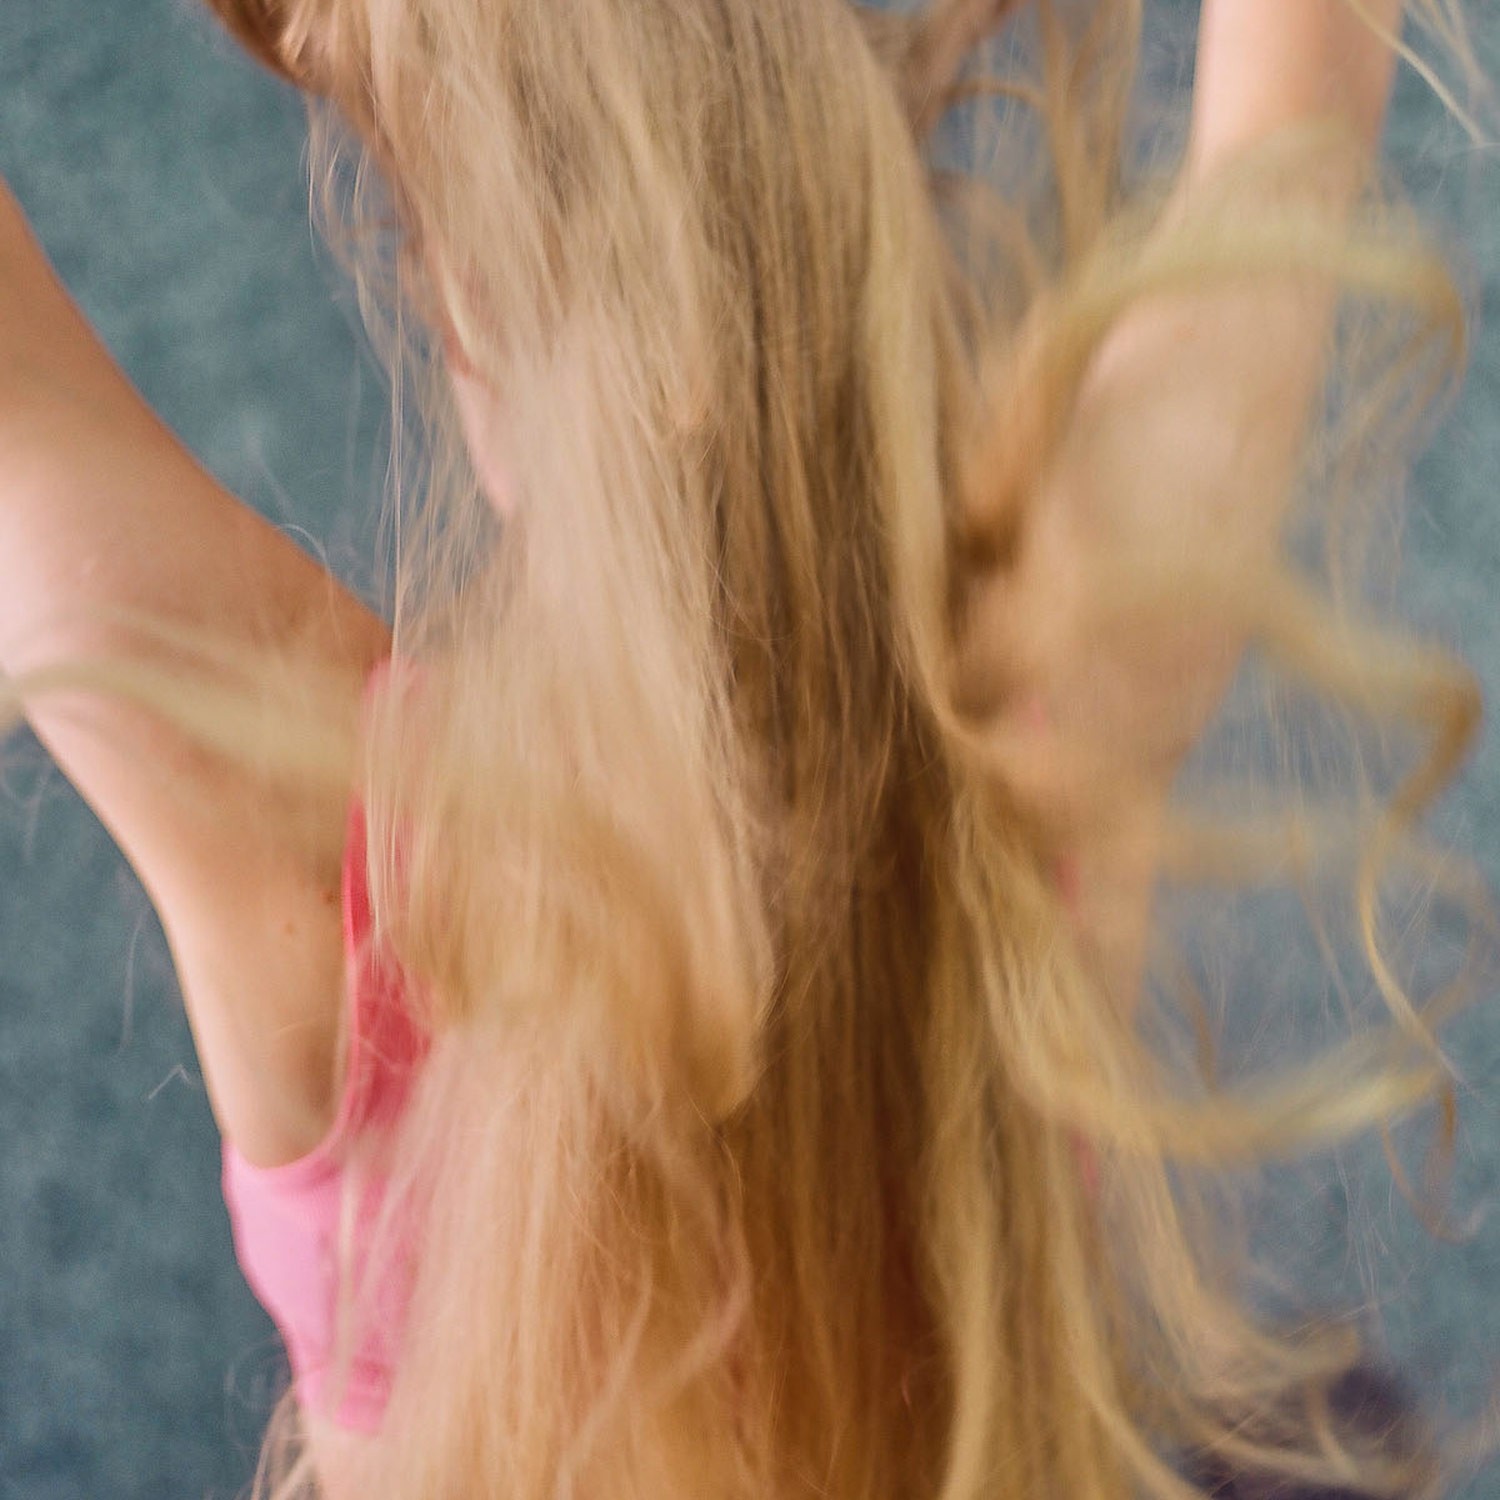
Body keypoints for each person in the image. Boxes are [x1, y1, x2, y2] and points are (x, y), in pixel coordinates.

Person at [0, 0, 1492, 1495]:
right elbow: (1293, 118)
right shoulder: (1054, 693)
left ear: (465, 319)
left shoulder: (324, 849)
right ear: (863, 245)